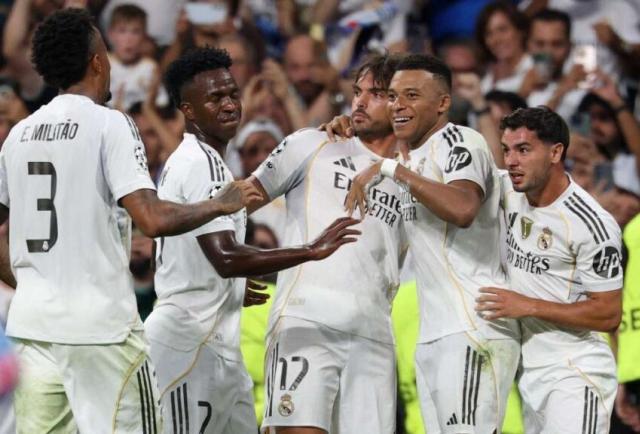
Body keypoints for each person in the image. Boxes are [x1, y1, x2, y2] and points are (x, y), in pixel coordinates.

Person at [0, 9, 261, 433]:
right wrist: (219, 204)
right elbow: (151, 218)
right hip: (101, 330)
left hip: (33, 329)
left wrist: (28, 283)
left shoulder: (19, 134)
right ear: (97, 61)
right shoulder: (109, 123)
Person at [144, 46, 359, 434]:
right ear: (188, 109)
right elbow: (226, 257)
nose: (229, 105)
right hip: (187, 343)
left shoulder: (206, 161)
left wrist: (229, 288)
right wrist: (311, 250)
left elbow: (198, 252)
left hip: (217, 343)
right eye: (215, 98)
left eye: (232, 94)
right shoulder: (200, 163)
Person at [344, 53, 521, 433]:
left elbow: (463, 208)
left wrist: (392, 169)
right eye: (393, 96)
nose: (398, 106)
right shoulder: (410, 160)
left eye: (412, 95)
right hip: (434, 333)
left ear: (443, 103)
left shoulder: (460, 141)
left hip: (473, 324)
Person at [247, 53, 408, 434]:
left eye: (375, 94)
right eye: (357, 92)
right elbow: (241, 200)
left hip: (373, 333)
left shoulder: (415, 173)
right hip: (305, 320)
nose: (359, 102)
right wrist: (220, 266)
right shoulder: (312, 144)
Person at [476, 106, 622, 433]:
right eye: (507, 150)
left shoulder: (591, 224)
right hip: (531, 372)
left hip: (575, 371)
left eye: (523, 150)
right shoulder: (510, 190)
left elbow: (608, 314)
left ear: (556, 152)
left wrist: (526, 305)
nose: (511, 161)